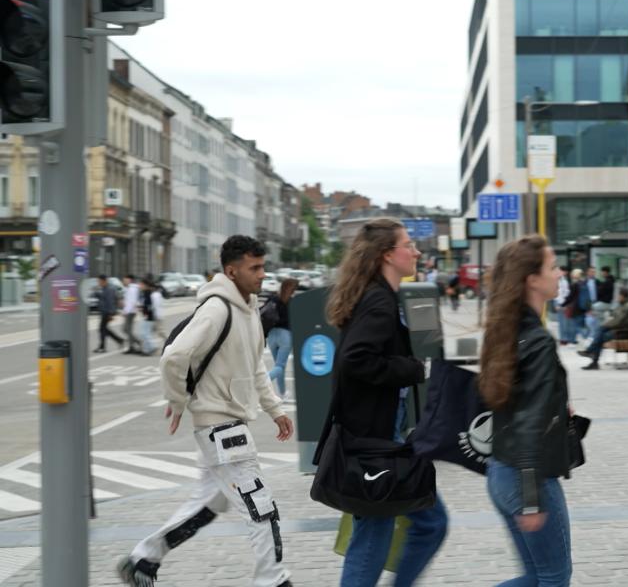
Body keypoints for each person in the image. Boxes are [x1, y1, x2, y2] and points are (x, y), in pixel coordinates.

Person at [117, 236, 294, 587]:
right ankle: (272, 580)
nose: (262, 274)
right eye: (254, 268)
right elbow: (173, 357)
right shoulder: (217, 309)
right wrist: (177, 401)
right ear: (232, 270)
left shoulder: (249, 308)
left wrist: (275, 408)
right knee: (261, 508)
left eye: (263, 266)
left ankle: (143, 560)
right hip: (222, 429)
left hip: (229, 426)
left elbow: (256, 363)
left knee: (209, 505)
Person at [324, 217, 447, 587]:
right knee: (384, 530)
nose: (416, 251)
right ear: (387, 254)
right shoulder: (378, 301)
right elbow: (355, 359)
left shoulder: (379, 295)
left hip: (381, 436)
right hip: (374, 441)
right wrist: (410, 369)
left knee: (428, 522)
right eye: (409, 244)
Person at [480, 234, 574, 586]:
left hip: (502, 472)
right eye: (552, 267)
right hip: (528, 478)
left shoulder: (506, 329)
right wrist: (533, 499)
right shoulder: (537, 340)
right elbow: (531, 423)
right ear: (532, 279)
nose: (560, 272)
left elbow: (515, 400)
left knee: (536, 576)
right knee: (553, 577)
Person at [579, 287, 628, 370]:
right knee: (600, 333)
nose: (617, 298)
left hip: (625, 332)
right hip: (620, 330)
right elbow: (615, 317)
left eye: (619, 296)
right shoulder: (622, 305)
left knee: (600, 335)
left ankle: (592, 356)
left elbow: (619, 321)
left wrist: (606, 325)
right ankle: (592, 357)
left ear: (623, 296)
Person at [266, 278, 299, 399]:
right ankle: (264, 380)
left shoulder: (272, 298)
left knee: (279, 366)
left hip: (271, 335)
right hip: (285, 335)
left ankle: (283, 393)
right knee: (280, 366)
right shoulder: (292, 301)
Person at [93, 274, 124, 353]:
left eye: (99, 281)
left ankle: (103, 347)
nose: (98, 283)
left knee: (102, 329)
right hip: (105, 311)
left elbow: (110, 302)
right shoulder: (105, 288)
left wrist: (110, 314)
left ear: (104, 281)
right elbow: (103, 297)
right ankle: (119, 340)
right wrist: (96, 293)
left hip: (107, 312)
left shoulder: (109, 289)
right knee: (103, 329)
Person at [138, 278, 164, 355]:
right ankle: (146, 350)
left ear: (145, 285)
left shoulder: (148, 293)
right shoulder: (146, 292)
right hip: (148, 316)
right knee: (145, 333)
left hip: (148, 316)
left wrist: (146, 312)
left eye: (141, 284)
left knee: (145, 333)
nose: (140, 286)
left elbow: (149, 305)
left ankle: (152, 347)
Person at [121, 273, 143, 354]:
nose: (123, 281)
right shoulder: (129, 288)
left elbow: (132, 301)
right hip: (129, 311)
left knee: (126, 329)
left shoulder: (132, 289)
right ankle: (134, 344)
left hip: (130, 312)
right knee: (126, 329)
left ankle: (134, 344)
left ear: (129, 280)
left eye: (125, 280)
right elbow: (127, 301)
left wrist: (126, 312)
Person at [554, 266, 571, 345]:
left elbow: (567, 292)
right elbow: (555, 292)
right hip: (558, 302)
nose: (564, 273)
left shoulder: (565, 281)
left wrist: (566, 303)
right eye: (562, 271)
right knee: (561, 322)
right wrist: (556, 304)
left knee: (565, 321)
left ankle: (565, 338)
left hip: (564, 302)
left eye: (564, 272)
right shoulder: (555, 280)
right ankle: (562, 338)